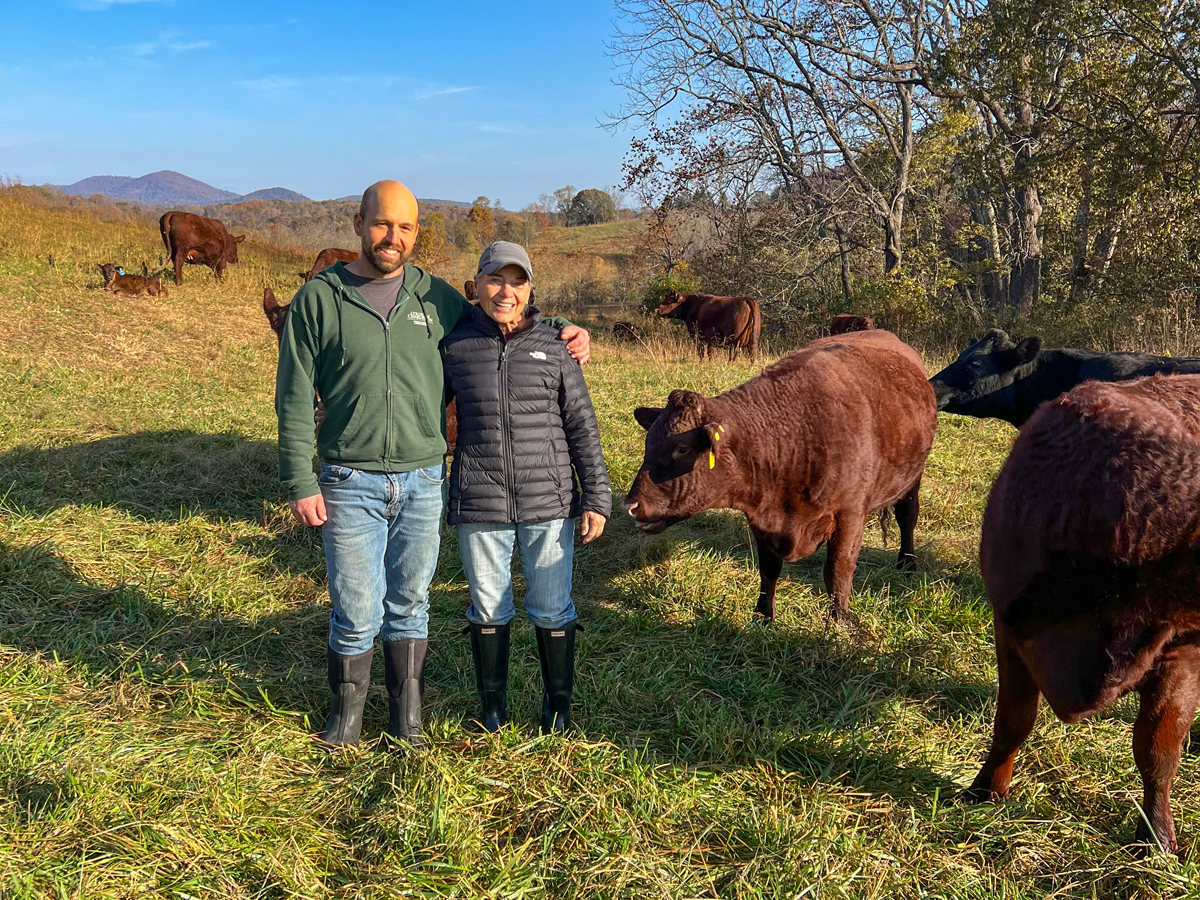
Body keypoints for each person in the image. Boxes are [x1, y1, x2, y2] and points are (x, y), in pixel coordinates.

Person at [275, 182, 590, 750]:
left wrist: (567, 326)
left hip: (423, 477)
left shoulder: (435, 298)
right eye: (382, 224)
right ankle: (346, 720)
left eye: (406, 227)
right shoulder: (320, 299)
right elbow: (294, 396)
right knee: (355, 605)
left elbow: (503, 313)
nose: (392, 238)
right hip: (348, 477)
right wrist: (300, 478)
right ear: (358, 223)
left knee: (411, 603)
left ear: (417, 233)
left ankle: (406, 719)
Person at [442, 242, 611, 733]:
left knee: (552, 606)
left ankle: (557, 706)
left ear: (530, 289)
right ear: (476, 284)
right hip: (480, 500)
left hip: (551, 501)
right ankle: (492, 708)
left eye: (517, 282)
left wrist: (596, 496)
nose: (506, 292)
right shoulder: (454, 346)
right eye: (496, 279)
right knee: (488, 607)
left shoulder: (555, 347)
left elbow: (582, 424)